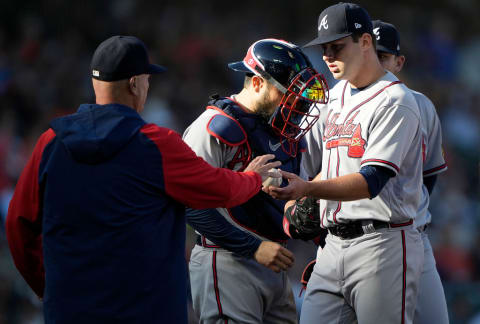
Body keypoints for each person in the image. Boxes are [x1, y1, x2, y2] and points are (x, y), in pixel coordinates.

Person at [5, 35, 282, 324]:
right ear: (134, 84)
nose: (148, 87)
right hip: (145, 312)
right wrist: (253, 177)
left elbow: (17, 223)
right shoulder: (155, 144)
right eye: (147, 79)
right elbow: (220, 189)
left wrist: (44, 286)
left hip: (69, 311)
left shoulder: (51, 142)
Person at [265, 3, 426, 323]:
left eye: (337, 46)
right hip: (331, 246)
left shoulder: (396, 100)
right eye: (324, 48)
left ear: (365, 42)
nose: (327, 56)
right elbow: (321, 160)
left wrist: (308, 188)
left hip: (381, 244)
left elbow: (370, 181)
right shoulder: (335, 96)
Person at [182, 38, 328, 323]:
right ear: (258, 83)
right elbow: (191, 206)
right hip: (227, 259)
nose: (296, 106)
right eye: (288, 95)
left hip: (274, 262)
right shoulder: (214, 125)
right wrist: (253, 247)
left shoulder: (284, 135)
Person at [373, 19, 449, 324]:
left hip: (414, 236)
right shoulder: (336, 106)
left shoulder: (420, 105)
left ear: (398, 62)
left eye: (383, 56)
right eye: (369, 54)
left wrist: (410, 209)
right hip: (363, 239)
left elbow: (430, 173)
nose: (375, 64)